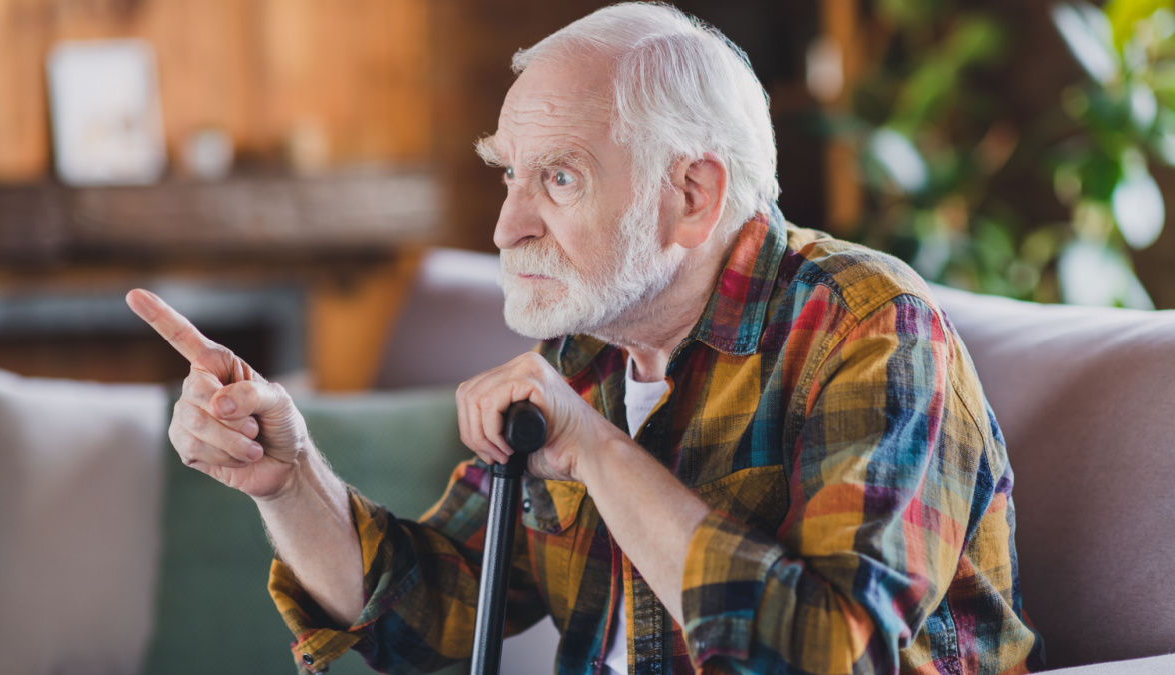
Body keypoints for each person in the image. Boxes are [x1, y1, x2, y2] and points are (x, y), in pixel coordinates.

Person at [126, 3, 1045, 674]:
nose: (505, 226)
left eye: (558, 178)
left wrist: (598, 450)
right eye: (509, 177)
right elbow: (434, 612)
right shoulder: (591, 347)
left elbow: (836, 656)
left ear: (693, 197)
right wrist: (287, 478)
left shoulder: (866, 326)